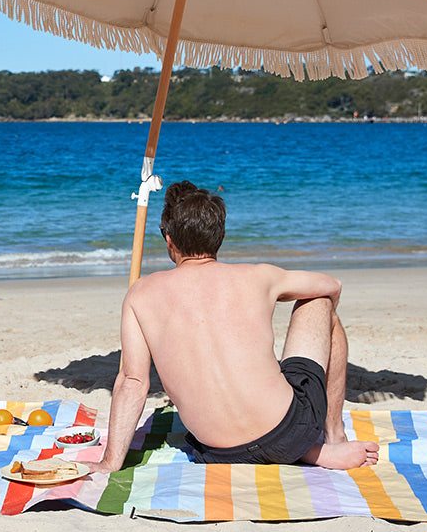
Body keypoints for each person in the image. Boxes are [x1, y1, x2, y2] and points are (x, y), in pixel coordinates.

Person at [89, 183, 379, 474]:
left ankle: (304, 449)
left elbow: (133, 382)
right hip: (290, 431)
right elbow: (333, 286)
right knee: (320, 300)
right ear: (220, 236)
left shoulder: (140, 294)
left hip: (218, 451)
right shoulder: (259, 276)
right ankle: (333, 436)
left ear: (168, 239)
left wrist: (110, 462)